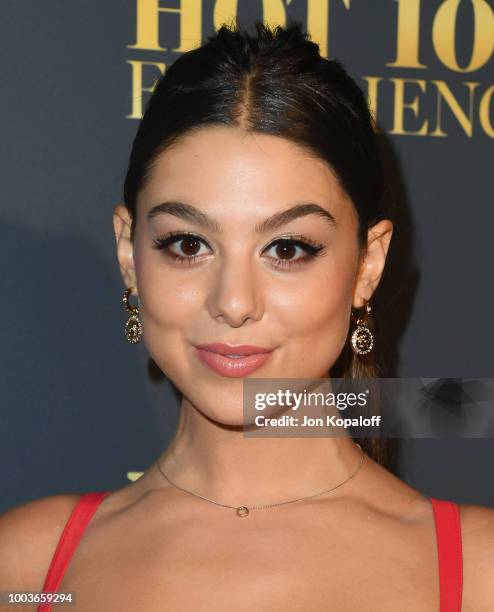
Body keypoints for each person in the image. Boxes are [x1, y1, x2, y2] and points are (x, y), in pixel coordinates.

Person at [1, 19, 493, 612]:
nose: (233, 303)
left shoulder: (478, 572)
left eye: (287, 248)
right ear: (130, 255)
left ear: (367, 264)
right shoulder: (27, 568)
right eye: (188, 245)